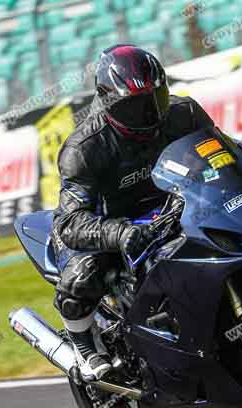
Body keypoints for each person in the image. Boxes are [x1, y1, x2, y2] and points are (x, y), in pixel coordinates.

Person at [52, 44, 214, 383]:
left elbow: (219, 154)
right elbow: (70, 222)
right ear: (109, 103)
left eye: (156, 99)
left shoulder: (184, 114)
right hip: (107, 224)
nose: (150, 113)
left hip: (169, 207)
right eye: (136, 106)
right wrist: (121, 233)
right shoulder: (85, 148)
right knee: (83, 273)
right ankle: (83, 344)